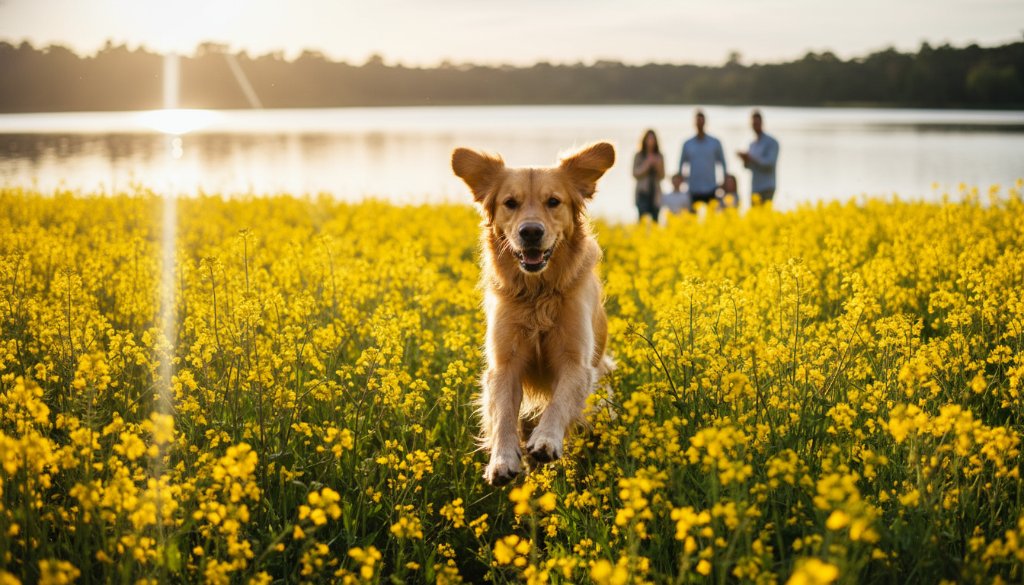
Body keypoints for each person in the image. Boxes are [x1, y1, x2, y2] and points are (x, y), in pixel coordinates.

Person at [678, 110, 727, 209]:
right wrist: (682, 180)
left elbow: (723, 163)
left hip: (711, 188)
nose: (700, 123)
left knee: (712, 218)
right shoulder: (687, 144)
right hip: (693, 189)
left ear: (705, 122)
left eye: (701, 120)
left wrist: (724, 181)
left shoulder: (715, 143)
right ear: (694, 123)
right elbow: (681, 165)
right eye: (697, 121)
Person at [737, 110, 779, 204]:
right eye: (753, 123)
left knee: (766, 216)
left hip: (767, 187)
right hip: (755, 187)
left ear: (762, 123)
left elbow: (769, 164)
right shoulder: (752, 144)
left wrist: (751, 157)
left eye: (757, 123)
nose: (755, 125)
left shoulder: (772, 142)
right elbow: (749, 167)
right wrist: (745, 160)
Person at [633, 129, 665, 222]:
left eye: (653, 139)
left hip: (655, 193)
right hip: (642, 193)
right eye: (649, 139)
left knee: (655, 220)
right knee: (642, 220)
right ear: (644, 140)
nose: (651, 141)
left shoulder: (659, 156)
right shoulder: (639, 155)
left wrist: (657, 165)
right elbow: (635, 173)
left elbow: (662, 176)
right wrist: (647, 164)